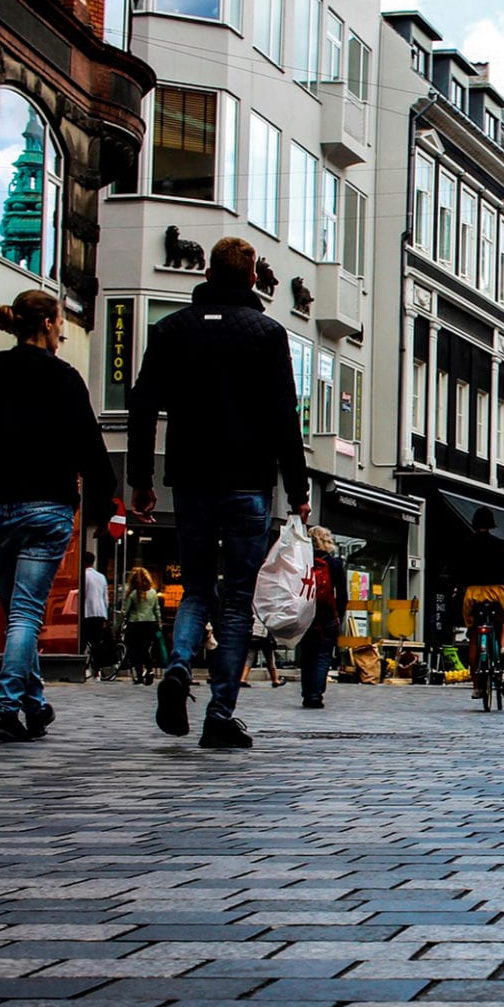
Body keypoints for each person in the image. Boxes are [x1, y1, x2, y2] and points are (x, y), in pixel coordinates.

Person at [128, 235, 310, 749]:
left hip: (190, 480)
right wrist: (297, 490)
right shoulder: (267, 334)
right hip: (248, 484)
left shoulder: (170, 330)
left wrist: (141, 478)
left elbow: (142, 406)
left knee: (196, 589)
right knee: (236, 601)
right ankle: (220, 713)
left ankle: (180, 664)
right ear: (253, 278)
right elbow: (284, 420)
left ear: (206, 273)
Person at [0, 289, 121, 742]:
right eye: (60, 322)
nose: (63, 330)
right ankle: (7, 708)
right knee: (25, 614)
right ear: (46, 324)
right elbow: (89, 446)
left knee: (16, 609)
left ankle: (36, 704)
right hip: (45, 509)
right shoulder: (63, 379)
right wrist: (104, 504)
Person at [299, 526, 348, 709]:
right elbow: (342, 595)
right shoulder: (334, 564)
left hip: (304, 614)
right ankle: (315, 695)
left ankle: (306, 693)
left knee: (307, 656)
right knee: (323, 656)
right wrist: (339, 616)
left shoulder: (303, 561)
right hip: (326, 614)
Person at [460, 509, 504, 654]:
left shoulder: (466, 544)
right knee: (502, 620)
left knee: (473, 632)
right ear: (491, 524)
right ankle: (502, 647)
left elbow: (459, 568)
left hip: (473, 592)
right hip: (496, 591)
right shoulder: (500, 544)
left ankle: (473, 669)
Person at [118, 567, 163, 685]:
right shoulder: (153, 593)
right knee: (145, 648)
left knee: (135, 650)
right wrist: (159, 623)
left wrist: (121, 621)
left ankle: (139, 675)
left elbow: (125, 611)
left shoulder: (133, 594)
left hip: (135, 624)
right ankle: (149, 668)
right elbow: (156, 609)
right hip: (150, 623)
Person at [80, 555, 113, 677]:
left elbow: (81, 595)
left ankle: (83, 667)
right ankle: (97, 669)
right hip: (99, 613)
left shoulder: (83, 576)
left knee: (82, 641)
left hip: (86, 612)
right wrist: (105, 616)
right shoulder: (101, 577)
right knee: (96, 642)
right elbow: (106, 598)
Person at [239, 613, 284, 688]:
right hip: (264, 636)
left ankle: (243, 678)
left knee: (249, 658)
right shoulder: (268, 609)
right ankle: (275, 680)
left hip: (253, 633)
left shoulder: (254, 608)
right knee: (270, 658)